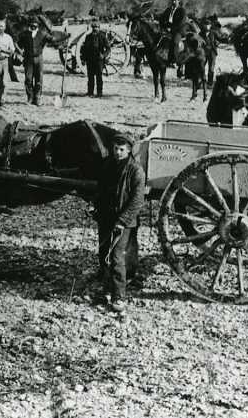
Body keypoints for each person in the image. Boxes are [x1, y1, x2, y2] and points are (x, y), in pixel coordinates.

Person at [95, 133, 145, 313]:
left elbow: (137, 200)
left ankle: (119, 296)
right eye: (115, 148)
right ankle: (106, 289)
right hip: (106, 217)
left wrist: (122, 221)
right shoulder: (108, 164)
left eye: (121, 149)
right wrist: (96, 208)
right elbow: (100, 190)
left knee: (117, 257)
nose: (117, 152)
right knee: (103, 253)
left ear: (129, 150)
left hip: (124, 221)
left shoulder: (135, 170)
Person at [16, 19, 48, 105]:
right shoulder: (24, 34)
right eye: (32, 25)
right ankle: (30, 97)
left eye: (35, 25)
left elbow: (53, 40)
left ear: (38, 26)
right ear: (29, 25)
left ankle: (37, 97)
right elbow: (17, 44)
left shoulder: (42, 34)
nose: (33, 26)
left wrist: (64, 38)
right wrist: (20, 52)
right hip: (28, 59)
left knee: (39, 79)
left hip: (39, 58)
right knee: (28, 79)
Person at [158, 0, 187, 76]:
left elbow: (181, 22)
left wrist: (172, 29)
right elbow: (161, 18)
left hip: (179, 30)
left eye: (175, 0)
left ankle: (174, 61)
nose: (173, 2)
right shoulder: (168, 10)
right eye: (172, 0)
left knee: (175, 42)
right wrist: (163, 26)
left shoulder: (182, 10)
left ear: (179, 1)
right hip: (168, 29)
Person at [80, 22, 108, 98]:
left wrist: (104, 55)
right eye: (94, 27)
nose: (95, 29)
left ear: (99, 28)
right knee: (90, 77)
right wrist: (83, 59)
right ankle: (90, 92)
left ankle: (99, 93)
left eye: (97, 27)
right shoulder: (88, 37)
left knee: (99, 77)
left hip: (99, 60)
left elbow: (108, 48)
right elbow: (84, 49)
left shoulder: (102, 37)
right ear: (92, 28)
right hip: (90, 59)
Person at [199, 19, 219, 86]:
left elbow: (220, 39)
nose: (207, 26)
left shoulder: (214, 33)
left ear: (210, 26)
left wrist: (217, 43)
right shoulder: (200, 34)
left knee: (211, 68)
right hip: (203, 53)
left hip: (212, 53)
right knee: (201, 67)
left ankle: (210, 83)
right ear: (203, 26)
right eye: (205, 25)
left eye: (208, 25)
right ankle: (201, 81)